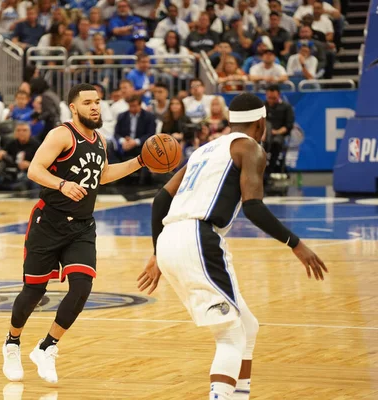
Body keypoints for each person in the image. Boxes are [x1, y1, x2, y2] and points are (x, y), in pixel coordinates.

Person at [138, 92, 327, 400]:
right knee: (231, 335)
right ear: (262, 123)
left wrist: (158, 251)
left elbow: (161, 198)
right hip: (198, 237)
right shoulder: (250, 147)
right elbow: (253, 207)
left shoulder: (203, 150)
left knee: (247, 327)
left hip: (172, 236)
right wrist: (296, 243)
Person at [1, 83, 147, 384]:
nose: (95, 107)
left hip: (81, 226)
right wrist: (61, 184)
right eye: (88, 102)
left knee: (81, 288)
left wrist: (140, 161)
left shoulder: (100, 141)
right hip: (48, 223)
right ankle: (12, 342)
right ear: (73, 107)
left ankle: (47, 346)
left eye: (98, 102)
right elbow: (35, 170)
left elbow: (103, 175)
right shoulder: (61, 134)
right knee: (34, 293)